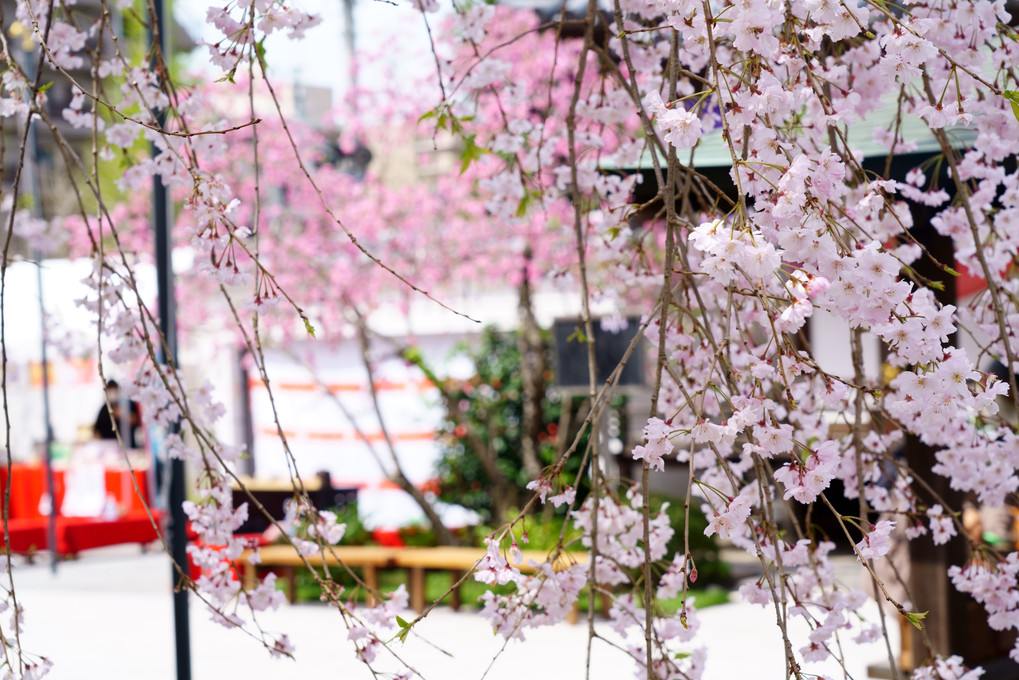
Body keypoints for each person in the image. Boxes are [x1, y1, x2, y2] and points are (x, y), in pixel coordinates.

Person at [92, 380, 141, 449]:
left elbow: (136, 421)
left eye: (114, 390)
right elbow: (96, 431)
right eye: (110, 390)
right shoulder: (104, 409)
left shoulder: (128, 404)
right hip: (109, 449)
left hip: (129, 446)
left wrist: (123, 414)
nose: (112, 393)